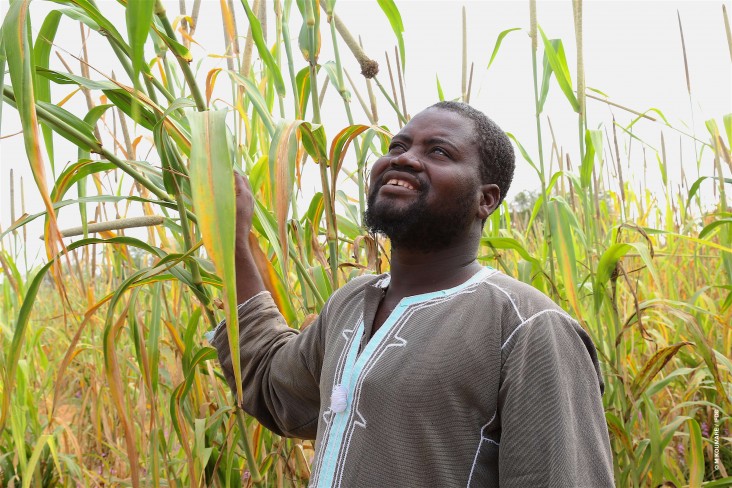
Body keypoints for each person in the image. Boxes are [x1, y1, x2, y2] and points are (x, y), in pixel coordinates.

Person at [211, 101, 615, 487]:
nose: (402, 159)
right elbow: (272, 387)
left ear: (485, 199)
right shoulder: (351, 304)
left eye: (438, 152)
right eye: (397, 147)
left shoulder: (527, 327)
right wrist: (234, 243)